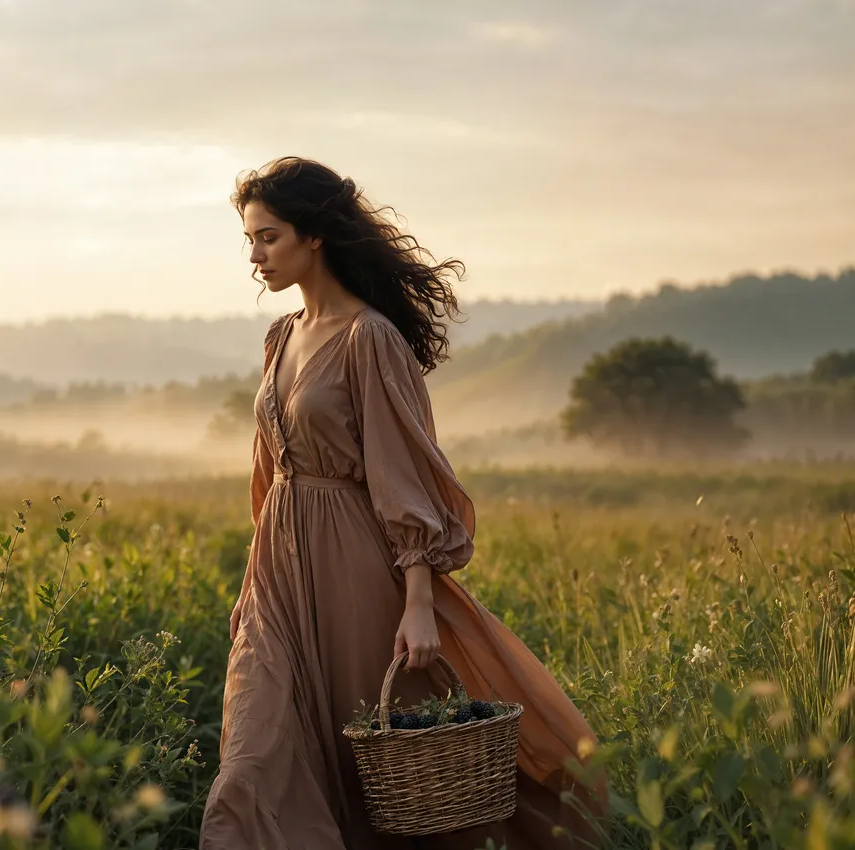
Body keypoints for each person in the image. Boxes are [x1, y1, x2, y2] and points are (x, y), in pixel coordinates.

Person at [199, 157, 608, 849]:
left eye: (268, 237)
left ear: (315, 237)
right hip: (278, 570)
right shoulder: (281, 338)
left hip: (356, 569)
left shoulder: (370, 339)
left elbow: (402, 476)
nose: (254, 256)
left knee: (372, 763)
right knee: (254, 752)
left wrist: (418, 602)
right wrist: (251, 582)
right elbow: (270, 476)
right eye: (250, 239)